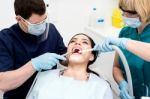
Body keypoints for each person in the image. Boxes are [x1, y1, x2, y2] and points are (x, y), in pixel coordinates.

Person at [0, 0, 67, 98]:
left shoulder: (51, 29)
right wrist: (34, 65)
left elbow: (64, 57)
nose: (42, 26)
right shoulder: (5, 38)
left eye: (44, 20)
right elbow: (3, 83)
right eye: (36, 24)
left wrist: (77, 54)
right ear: (19, 19)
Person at [27, 33, 113, 99]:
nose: (77, 43)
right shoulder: (43, 77)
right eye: (73, 41)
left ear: (91, 56)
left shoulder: (102, 87)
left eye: (84, 42)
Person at [94, 0, 150, 98]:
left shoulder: (124, 40)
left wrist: (124, 43)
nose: (125, 16)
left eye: (131, 13)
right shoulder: (125, 32)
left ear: (146, 11)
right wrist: (122, 83)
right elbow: (116, 67)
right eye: (123, 11)